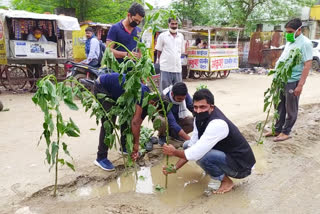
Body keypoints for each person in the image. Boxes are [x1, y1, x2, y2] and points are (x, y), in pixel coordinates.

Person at [162, 89, 256, 194]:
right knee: (186, 145)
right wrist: (174, 168)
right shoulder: (199, 117)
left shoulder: (217, 123)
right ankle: (212, 170)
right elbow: (192, 145)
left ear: (211, 107)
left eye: (202, 107)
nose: (198, 111)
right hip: (227, 156)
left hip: (241, 167)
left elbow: (195, 153)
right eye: (195, 107)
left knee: (202, 157)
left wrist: (174, 152)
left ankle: (226, 181)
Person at [264, 18, 312, 142]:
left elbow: (307, 64)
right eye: (287, 31)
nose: (288, 34)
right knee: (279, 106)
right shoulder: (290, 41)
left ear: (299, 30)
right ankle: (277, 129)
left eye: (290, 31)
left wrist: (300, 85)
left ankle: (286, 132)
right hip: (281, 79)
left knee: (291, 108)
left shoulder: (305, 43)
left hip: (292, 80)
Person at [93, 72, 150, 171]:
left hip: (117, 91)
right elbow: (136, 123)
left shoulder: (148, 97)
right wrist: (136, 144)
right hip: (102, 87)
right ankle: (100, 157)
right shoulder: (143, 95)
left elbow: (135, 120)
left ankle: (124, 147)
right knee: (109, 122)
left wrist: (132, 144)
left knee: (127, 115)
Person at [155, 17, 185, 92]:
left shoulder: (181, 36)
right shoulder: (162, 36)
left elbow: (181, 52)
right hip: (165, 69)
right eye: (172, 23)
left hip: (177, 69)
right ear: (168, 24)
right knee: (165, 92)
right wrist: (160, 61)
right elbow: (159, 51)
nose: (174, 26)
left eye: (176, 24)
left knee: (178, 92)